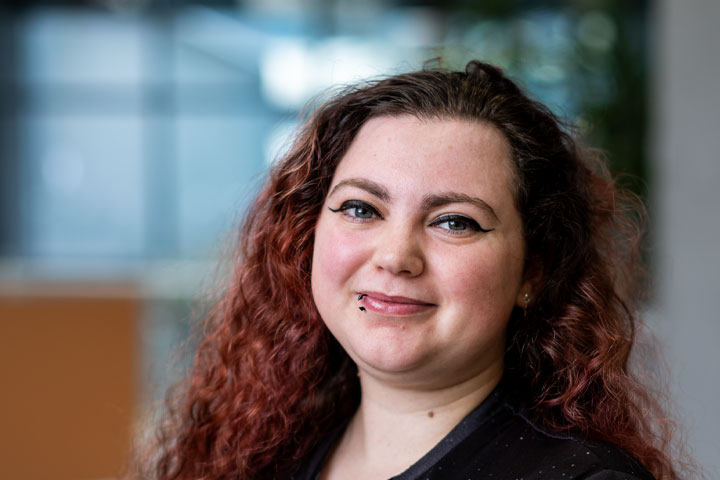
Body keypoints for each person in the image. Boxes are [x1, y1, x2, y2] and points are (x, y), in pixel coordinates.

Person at [147, 61, 681, 479]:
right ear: (305, 238)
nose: (395, 256)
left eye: (455, 222)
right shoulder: (260, 456)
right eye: (361, 209)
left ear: (532, 273)